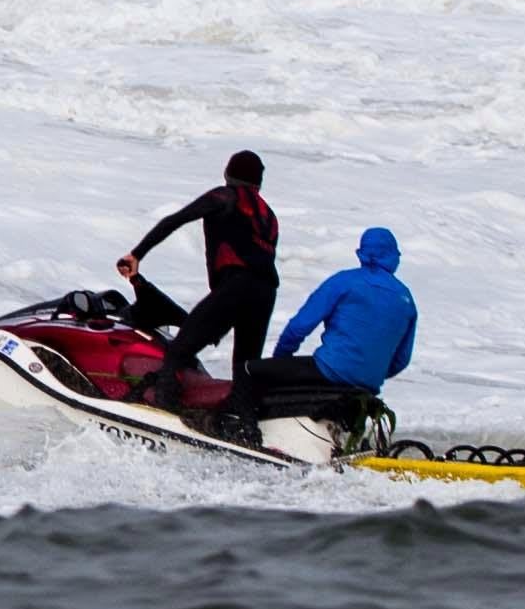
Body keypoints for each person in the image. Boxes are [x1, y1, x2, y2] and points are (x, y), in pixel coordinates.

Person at [114, 150, 278, 403]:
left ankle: (163, 408)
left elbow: (175, 220)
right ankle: (242, 424)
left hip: (237, 287)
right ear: (259, 182)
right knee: (244, 367)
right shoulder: (269, 216)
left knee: (178, 350)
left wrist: (137, 254)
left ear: (227, 173)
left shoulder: (224, 196)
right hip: (266, 293)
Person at [232, 227, 418, 438]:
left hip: (329, 369)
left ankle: (247, 433)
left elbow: (299, 326)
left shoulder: (345, 282)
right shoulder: (406, 299)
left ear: (362, 252)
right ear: (394, 256)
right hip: (368, 383)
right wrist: (368, 370)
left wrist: (280, 360)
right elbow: (401, 359)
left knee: (246, 370)